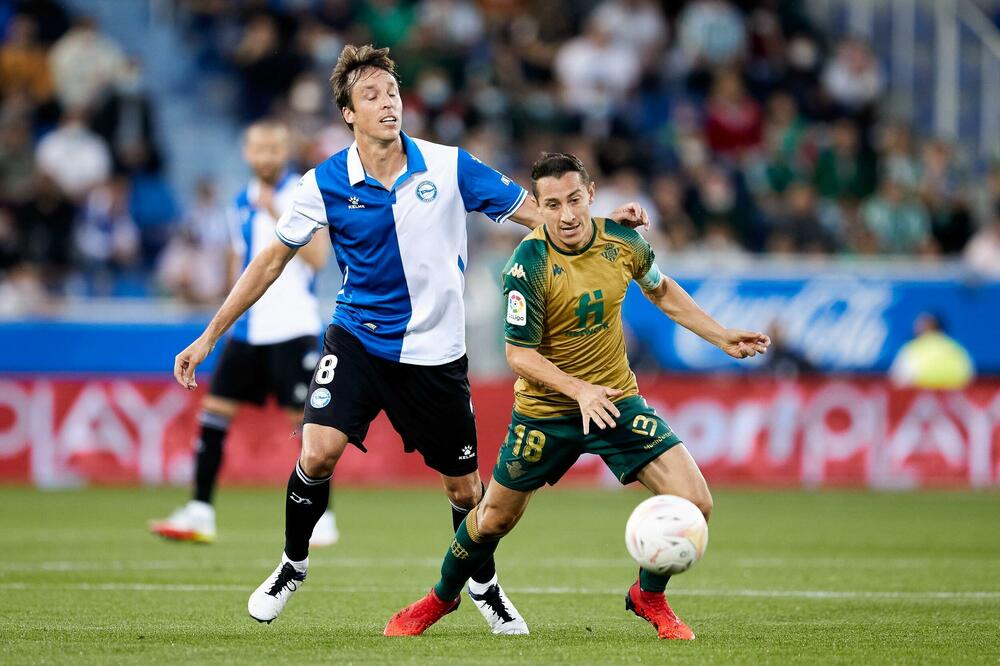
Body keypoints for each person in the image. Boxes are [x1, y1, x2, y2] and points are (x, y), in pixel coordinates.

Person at [171, 45, 648, 634]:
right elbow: (269, 261)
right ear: (348, 113)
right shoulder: (323, 182)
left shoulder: (450, 166)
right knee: (316, 451)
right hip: (357, 341)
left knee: (465, 490)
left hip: (436, 355)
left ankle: (484, 585)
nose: (387, 103)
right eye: (371, 96)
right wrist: (209, 336)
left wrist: (602, 226)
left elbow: (539, 214)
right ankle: (292, 565)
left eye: (392, 92)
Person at [384, 153, 769, 640]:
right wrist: (579, 390)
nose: (566, 215)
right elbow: (519, 355)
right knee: (493, 519)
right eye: (552, 205)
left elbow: (661, 289)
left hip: (614, 400)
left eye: (574, 200)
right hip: (546, 412)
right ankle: (440, 598)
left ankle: (648, 596)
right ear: (538, 207)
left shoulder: (623, 241)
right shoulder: (527, 264)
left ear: (590, 194)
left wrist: (720, 335)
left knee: (695, 502)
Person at [152, 120, 337, 546]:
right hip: (249, 329)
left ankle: (323, 516)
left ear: (284, 151)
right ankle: (200, 511)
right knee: (213, 413)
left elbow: (317, 259)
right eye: (259, 148)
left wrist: (275, 212)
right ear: (247, 153)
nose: (267, 156)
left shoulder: (304, 194)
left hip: (293, 327)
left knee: (307, 427)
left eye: (274, 148)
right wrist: (222, 313)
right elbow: (240, 265)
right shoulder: (239, 201)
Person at [889, 313, 974, 390]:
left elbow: (898, 378)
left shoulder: (913, 348)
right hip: (955, 397)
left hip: (919, 396)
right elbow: (968, 374)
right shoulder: (954, 347)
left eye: (920, 324)